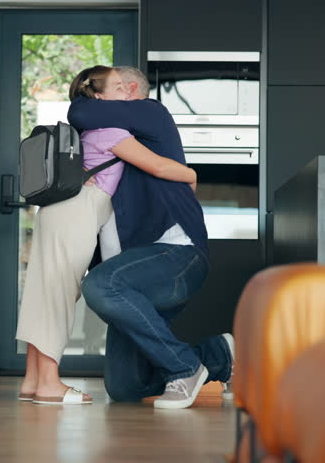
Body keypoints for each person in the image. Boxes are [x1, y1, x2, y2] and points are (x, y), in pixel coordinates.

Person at [16, 65, 198, 405]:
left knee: (46, 292)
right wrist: (191, 174)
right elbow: (158, 166)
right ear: (98, 96)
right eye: (117, 88)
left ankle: (33, 379)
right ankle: (50, 383)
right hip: (77, 211)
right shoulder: (111, 132)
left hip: (61, 210)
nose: (125, 94)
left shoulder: (94, 131)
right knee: (58, 294)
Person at [68, 66, 234, 409]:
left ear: (130, 90)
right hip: (130, 274)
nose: (101, 97)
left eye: (114, 86)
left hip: (174, 254)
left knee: (99, 286)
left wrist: (188, 173)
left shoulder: (151, 111)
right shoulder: (105, 137)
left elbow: (79, 109)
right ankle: (217, 355)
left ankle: (184, 367)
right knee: (125, 387)